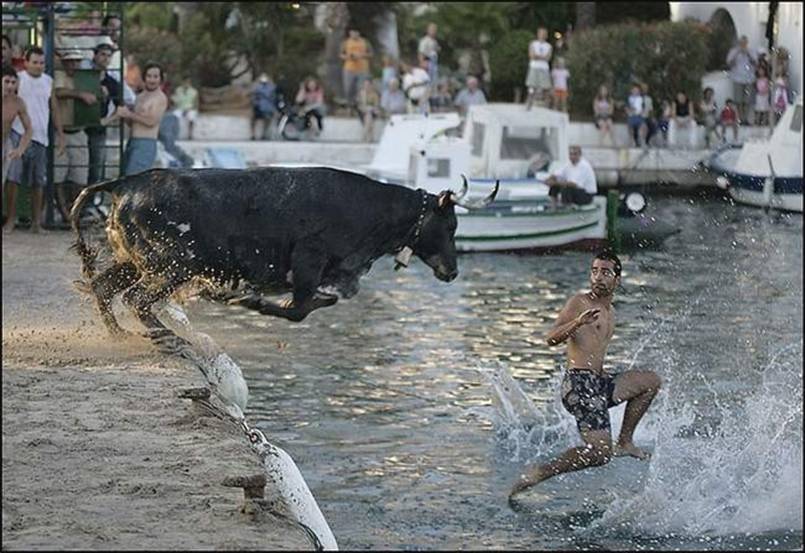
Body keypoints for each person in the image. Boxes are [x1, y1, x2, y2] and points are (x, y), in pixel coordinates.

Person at [509, 250, 662, 500]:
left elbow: (596, 351)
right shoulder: (579, 303)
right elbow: (551, 338)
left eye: (605, 272)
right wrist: (577, 323)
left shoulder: (610, 312)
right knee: (600, 454)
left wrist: (603, 375)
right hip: (579, 385)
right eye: (594, 271)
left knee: (650, 382)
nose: (598, 277)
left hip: (597, 382)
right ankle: (539, 473)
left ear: (617, 279)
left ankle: (625, 441)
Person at [5, 46, 65, 233]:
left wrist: (60, 134)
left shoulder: (48, 81)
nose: (39, 66)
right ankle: (11, 220)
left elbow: (54, 108)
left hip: (41, 136)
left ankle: (37, 223)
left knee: (39, 181)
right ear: (26, 62)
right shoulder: (19, 79)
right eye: (35, 62)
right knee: (13, 179)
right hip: (18, 133)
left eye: (41, 62)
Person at [53, 50, 93, 225]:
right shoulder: (59, 76)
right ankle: (64, 213)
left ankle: (73, 212)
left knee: (80, 177)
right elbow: (58, 92)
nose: (73, 65)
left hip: (79, 132)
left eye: (76, 61)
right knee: (58, 176)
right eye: (70, 61)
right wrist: (79, 94)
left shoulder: (85, 79)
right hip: (61, 132)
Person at [113, 61, 168, 176]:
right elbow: (133, 122)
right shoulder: (139, 97)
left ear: (160, 79)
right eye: (149, 76)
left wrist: (129, 114)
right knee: (124, 178)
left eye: (155, 77)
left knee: (134, 179)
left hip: (146, 143)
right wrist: (123, 114)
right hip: (132, 141)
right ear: (144, 77)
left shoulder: (160, 98)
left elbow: (151, 122)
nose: (152, 80)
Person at [86, 43, 123, 186]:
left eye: (109, 56)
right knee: (77, 169)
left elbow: (121, 109)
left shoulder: (112, 83)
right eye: (102, 54)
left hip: (98, 130)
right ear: (94, 56)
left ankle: (91, 203)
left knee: (96, 168)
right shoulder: (83, 77)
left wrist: (106, 120)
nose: (105, 58)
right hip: (78, 128)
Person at [2, 64, 32, 194]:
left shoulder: (18, 103)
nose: (10, 86)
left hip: (5, 144)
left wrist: (20, 149)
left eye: (13, 82)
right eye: (6, 82)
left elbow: (29, 129)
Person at [545, 144, 597, 209]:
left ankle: (568, 209)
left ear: (580, 155)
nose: (572, 156)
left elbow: (573, 184)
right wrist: (549, 179)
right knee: (555, 186)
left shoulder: (584, 166)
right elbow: (557, 174)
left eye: (575, 154)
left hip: (587, 195)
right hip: (577, 192)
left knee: (567, 188)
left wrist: (554, 182)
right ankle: (553, 206)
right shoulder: (568, 164)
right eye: (571, 154)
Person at [726, 36, 756, 125]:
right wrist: (737, 53)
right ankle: (739, 118)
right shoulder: (733, 51)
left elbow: (755, 62)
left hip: (749, 79)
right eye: (741, 43)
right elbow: (729, 63)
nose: (743, 44)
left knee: (747, 100)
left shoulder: (751, 51)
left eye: (745, 43)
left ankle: (745, 119)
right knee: (738, 100)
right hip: (737, 78)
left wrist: (748, 54)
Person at [340, 29, 372, 110]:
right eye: (352, 32)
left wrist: (362, 55)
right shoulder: (346, 42)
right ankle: (349, 106)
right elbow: (341, 54)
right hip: (349, 69)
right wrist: (349, 57)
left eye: (356, 32)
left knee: (361, 88)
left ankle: (360, 106)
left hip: (362, 68)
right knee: (348, 88)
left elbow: (371, 54)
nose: (354, 34)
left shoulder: (365, 42)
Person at [525, 27, 552, 110]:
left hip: (544, 68)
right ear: (538, 34)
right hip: (534, 67)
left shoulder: (548, 46)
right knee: (531, 85)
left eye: (544, 34)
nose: (542, 35)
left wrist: (537, 56)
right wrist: (541, 57)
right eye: (541, 33)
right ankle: (529, 103)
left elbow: (548, 58)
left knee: (546, 87)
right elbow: (531, 56)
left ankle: (547, 105)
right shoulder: (533, 44)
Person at [250, 73, 277, 141]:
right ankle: (253, 134)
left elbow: (273, 97)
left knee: (267, 120)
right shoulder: (257, 86)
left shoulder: (271, 87)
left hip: (267, 108)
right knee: (253, 120)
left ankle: (264, 134)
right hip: (259, 107)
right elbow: (253, 96)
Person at [356, 79, 380, 143]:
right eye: (365, 85)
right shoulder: (361, 93)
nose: (367, 86)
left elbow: (376, 105)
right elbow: (359, 105)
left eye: (368, 85)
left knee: (369, 116)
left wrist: (371, 108)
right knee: (369, 117)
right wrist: (365, 108)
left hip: (372, 112)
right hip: (362, 112)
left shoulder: (374, 94)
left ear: (371, 86)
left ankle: (364, 136)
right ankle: (370, 137)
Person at [418, 22, 440, 89]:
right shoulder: (424, 40)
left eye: (435, 30)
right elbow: (421, 53)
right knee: (427, 82)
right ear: (428, 30)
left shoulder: (434, 41)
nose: (433, 31)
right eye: (432, 30)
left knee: (433, 83)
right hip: (427, 62)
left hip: (434, 63)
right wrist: (422, 63)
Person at [625, 83, 645, 147]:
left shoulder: (641, 99)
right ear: (631, 91)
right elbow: (626, 108)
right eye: (634, 90)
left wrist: (641, 113)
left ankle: (641, 140)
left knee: (643, 126)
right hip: (631, 116)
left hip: (639, 116)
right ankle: (632, 141)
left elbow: (643, 108)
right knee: (630, 127)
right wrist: (629, 112)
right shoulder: (629, 98)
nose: (635, 91)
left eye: (637, 90)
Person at [640, 82, 657, 147]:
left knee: (653, 127)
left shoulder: (649, 99)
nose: (645, 90)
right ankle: (641, 142)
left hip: (647, 116)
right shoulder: (638, 98)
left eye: (646, 88)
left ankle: (647, 141)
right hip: (639, 117)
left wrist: (653, 117)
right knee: (644, 125)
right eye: (643, 88)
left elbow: (650, 110)